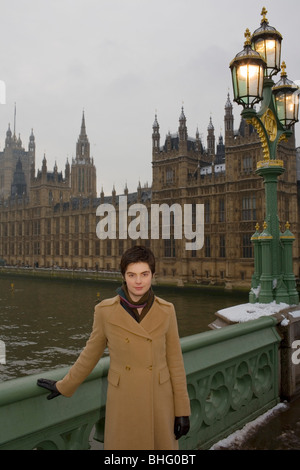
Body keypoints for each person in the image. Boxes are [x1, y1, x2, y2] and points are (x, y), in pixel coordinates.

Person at [37, 245, 190, 450]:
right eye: (132, 274)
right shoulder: (105, 311)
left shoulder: (167, 310)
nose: (138, 281)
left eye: (144, 274)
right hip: (124, 401)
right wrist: (64, 385)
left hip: (160, 402)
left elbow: (176, 363)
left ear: (153, 275)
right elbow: (90, 354)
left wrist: (182, 410)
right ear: (123, 276)